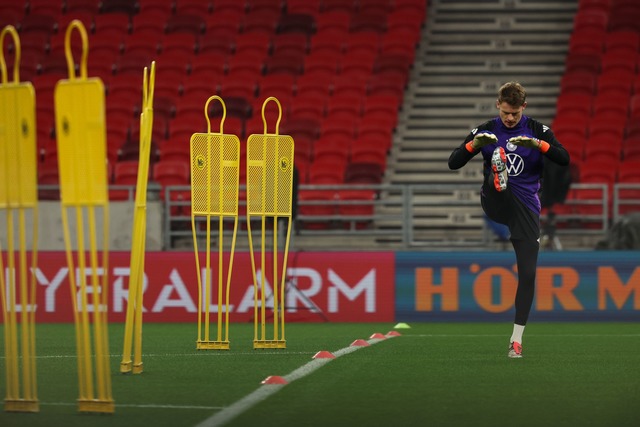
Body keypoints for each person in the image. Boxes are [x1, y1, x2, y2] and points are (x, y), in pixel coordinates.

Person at [448, 81, 570, 358]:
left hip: (525, 208)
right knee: (496, 180)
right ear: (498, 106)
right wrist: (473, 145)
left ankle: (516, 339)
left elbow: (564, 158)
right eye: (505, 113)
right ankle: (497, 174)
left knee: (527, 274)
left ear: (523, 107)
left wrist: (538, 145)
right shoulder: (487, 129)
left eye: (515, 113)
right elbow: (453, 162)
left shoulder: (539, 130)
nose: (510, 118)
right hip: (495, 201)